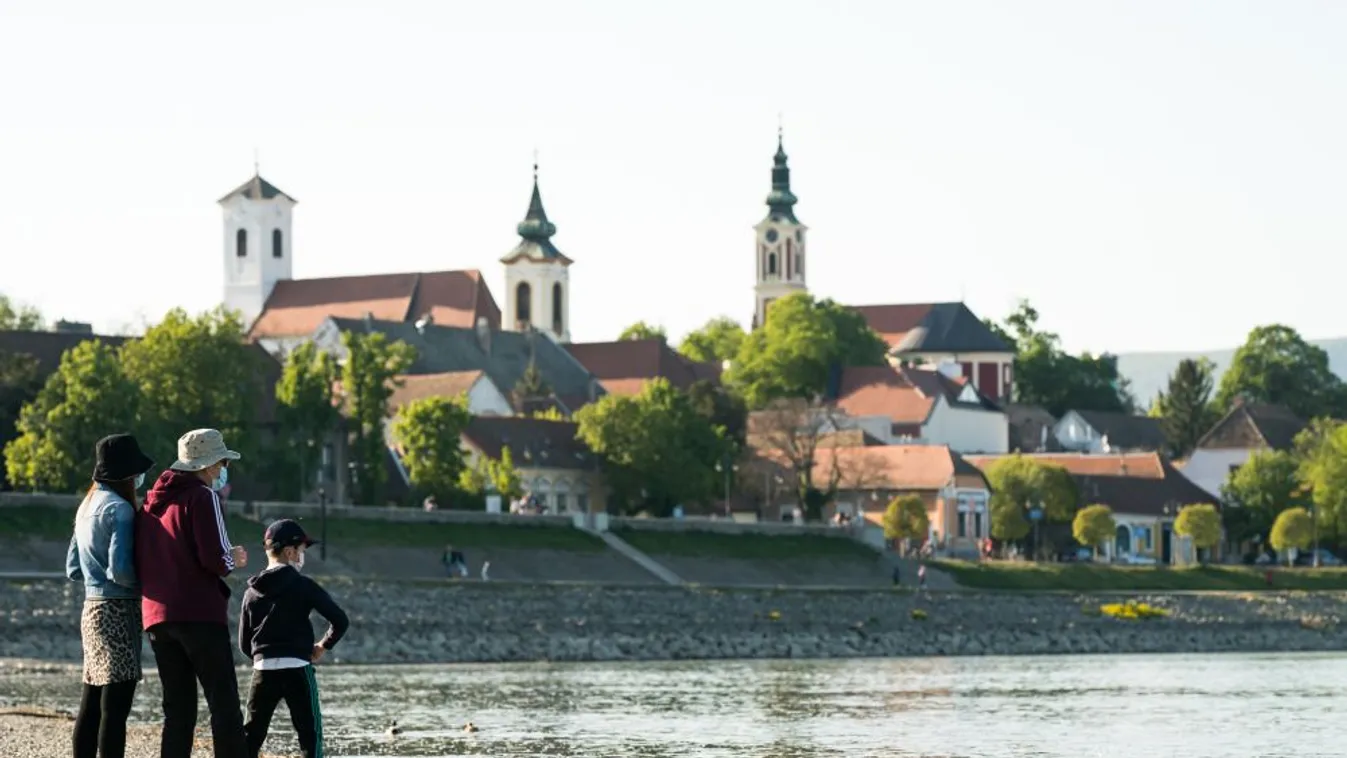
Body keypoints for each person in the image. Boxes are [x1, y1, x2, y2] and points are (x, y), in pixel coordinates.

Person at [135, 428, 250, 758]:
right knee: (223, 702)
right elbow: (215, 559)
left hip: (157, 617)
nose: (223, 468)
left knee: (178, 708)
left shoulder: (151, 506)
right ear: (209, 464)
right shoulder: (204, 497)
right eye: (223, 462)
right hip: (199, 613)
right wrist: (234, 556)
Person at [66, 433, 156, 758]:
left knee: (91, 701)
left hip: (91, 610)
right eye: (135, 473)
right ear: (126, 474)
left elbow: (72, 569)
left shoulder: (85, 506)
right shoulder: (121, 510)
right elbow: (120, 570)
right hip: (118, 611)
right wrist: (148, 584)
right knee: (116, 708)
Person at [239, 519, 349, 758]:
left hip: (263, 670)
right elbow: (340, 620)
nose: (302, 556)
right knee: (309, 736)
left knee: (251, 737)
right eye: (301, 551)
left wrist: (263, 657)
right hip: (298, 668)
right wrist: (322, 646)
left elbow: (244, 643)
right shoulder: (303, 586)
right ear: (289, 552)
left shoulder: (251, 593)